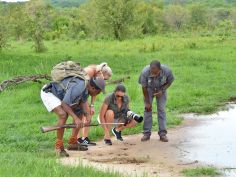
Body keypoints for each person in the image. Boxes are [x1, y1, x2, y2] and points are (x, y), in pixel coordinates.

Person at [40, 76, 105, 157]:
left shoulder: (86, 87)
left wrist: (87, 115)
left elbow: (83, 102)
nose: (98, 94)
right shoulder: (79, 88)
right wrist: (76, 119)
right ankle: (58, 146)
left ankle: (73, 142)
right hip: (50, 93)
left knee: (79, 111)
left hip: (62, 94)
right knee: (63, 114)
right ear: (93, 88)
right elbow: (64, 104)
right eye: (98, 92)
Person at [139, 60, 174, 142]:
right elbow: (144, 87)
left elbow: (170, 81)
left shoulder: (167, 71)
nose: (153, 74)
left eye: (155, 72)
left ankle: (163, 134)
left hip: (161, 88)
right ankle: (146, 134)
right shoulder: (145, 72)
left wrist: (162, 90)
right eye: (151, 72)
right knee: (147, 109)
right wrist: (147, 102)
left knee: (161, 110)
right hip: (148, 89)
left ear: (160, 69)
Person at [77, 62, 112, 146]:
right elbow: (80, 85)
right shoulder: (89, 72)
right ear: (101, 73)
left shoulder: (97, 77)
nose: (104, 81)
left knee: (89, 113)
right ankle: (77, 138)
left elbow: (95, 92)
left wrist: (92, 106)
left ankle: (84, 138)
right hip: (78, 93)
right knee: (80, 114)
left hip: (85, 94)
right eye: (105, 79)